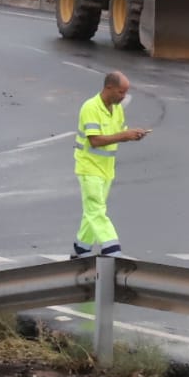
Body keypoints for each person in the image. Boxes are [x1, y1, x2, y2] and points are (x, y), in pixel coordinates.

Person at [74, 70, 148, 257]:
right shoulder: (90, 107)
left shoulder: (117, 110)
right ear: (109, 88)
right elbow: (95, 141)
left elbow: (118, 133)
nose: (123, 97)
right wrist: (124, 135)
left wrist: (132, 135)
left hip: (106, 170)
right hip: (89, 167)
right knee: (96, 209)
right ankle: (112, 248)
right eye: (121, 92)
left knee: (92, 210)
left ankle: (81, 248)